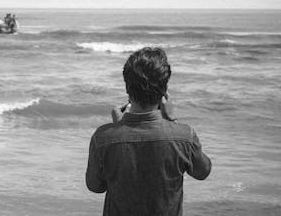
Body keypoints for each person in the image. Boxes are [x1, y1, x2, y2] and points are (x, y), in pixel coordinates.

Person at [86, 47, 211, 216]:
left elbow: (95, 186)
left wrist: (119, 128)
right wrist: (173, 121)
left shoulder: (103, 138)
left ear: (127, 89)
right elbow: (202, 172)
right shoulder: (184, 136)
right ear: (164, 92)